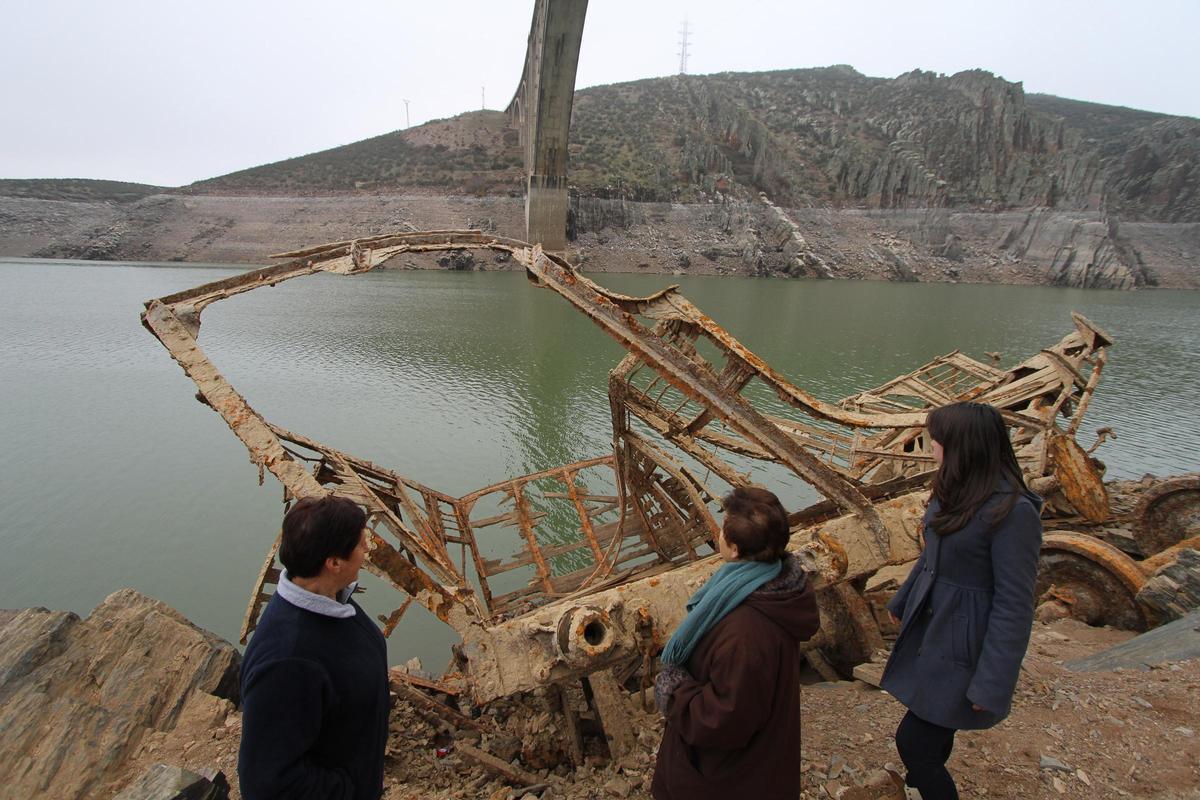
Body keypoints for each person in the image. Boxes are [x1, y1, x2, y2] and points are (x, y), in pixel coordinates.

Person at [881, 402, 1044, 800]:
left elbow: (1015, 605)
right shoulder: (954, 491)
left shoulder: (1012, 513)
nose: (930, 445)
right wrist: (902, 603)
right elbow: (931, 560)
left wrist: (991, 684)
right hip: (933, 631)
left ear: (961, 445)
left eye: (935, 438)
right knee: (935, 728)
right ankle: (921, 789)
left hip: (964, 644)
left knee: (913, 742)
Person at [651, 486, 820, 800]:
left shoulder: (745, 633)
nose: (718, 534)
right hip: (759, 764)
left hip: (726, 779)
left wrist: (674, 690)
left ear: (735, 550)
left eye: (722, 529)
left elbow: (722, 720)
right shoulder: (775, 589)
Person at [239, 494, 389, 800]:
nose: (367, 550)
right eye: (361, 544)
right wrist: (348, 789)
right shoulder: (288, 662)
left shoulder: (331, 599)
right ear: (333, 563)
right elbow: (267, 783)